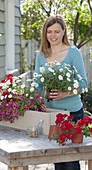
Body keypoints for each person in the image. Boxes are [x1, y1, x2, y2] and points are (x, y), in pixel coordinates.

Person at [34, 15, 88, 170]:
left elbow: (83, 84)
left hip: (72, 113)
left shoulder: (73, 53)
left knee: (70, 160)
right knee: (57, 158)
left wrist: (65, 93)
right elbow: (37, 84)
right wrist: (38, 101)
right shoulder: (41, 55)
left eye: (56, 31)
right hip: (52, 113)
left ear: (64, 31)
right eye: (49, 31)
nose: (52, 35)